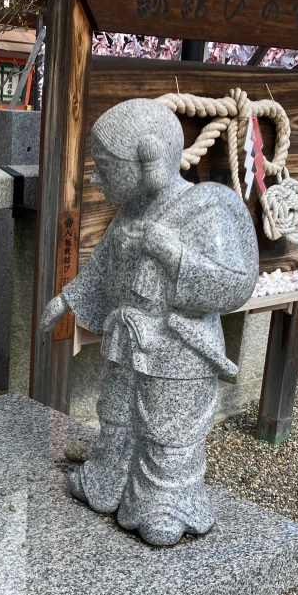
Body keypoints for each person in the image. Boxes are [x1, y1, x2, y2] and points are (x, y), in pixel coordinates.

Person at [39, 99, 257, 546]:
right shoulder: (131, 211)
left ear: (148, 157)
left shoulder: (208, 206)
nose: (96, 178)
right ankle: (107, 481)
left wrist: (172, 253)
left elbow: (234, 283)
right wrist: (67, 298)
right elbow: (102, 267)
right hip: (128, 338)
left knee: (167, 429)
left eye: (104, 167)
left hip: (179, 348)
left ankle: (164, 502)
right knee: (116, 417)